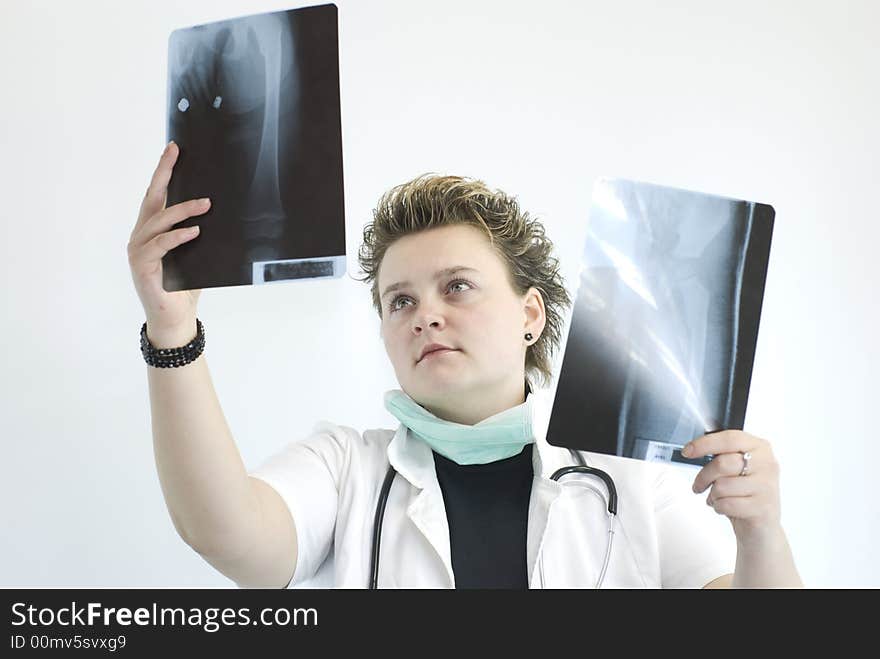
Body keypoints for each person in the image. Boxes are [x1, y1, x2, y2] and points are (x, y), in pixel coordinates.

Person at [128, 141, 803, 588]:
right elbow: (226, 531)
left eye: (457, 286)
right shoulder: (348, 469)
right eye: (400, 300)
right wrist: (171, 328)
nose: (424, 314)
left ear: (530, 313)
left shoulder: (629, 477)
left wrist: (761, 531)